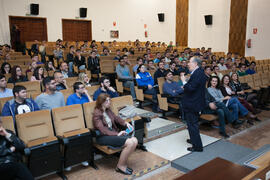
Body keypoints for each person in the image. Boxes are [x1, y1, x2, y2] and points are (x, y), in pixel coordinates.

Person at [93, 94, 137, 175]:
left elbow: (116, 118)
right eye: (107, 100)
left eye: (109, 100)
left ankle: (122, 163)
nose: (109, 102)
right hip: (103, 137)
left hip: (112, 134)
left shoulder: (108, 110)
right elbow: (102, 130)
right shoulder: (97, 113)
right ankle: (120, 166)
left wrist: (125, 123)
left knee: (135, 140)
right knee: (130, 142)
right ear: (101, 102)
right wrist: (117, 134)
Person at [181, 57, 207, 152]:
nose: (188, 64)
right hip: (194, 102)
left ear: (195, 63)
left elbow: (191, 88)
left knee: (192, 124)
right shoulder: (199, 72)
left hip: (193, 104)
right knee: (191, 123)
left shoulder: (198, 73)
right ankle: (193, 140)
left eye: (189, 62)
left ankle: (197, 146)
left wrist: (184, 81)